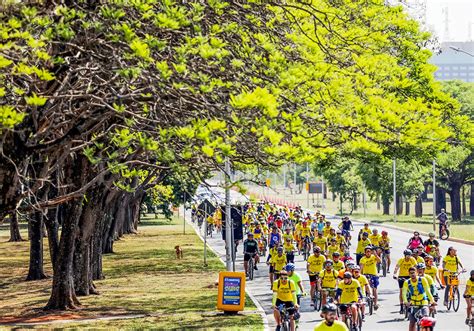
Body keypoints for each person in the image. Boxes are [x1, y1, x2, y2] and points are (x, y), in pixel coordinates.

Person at [402, 267, 436, 331]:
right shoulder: (407, 282)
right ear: (409, 274)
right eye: (411, 273)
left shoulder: (423, 280)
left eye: (413, 273)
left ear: (416, 273)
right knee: (412, 322)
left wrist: (432, 301)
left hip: (423, 302)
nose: (412, 274)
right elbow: (404, 293)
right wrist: (406, 302)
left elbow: (427, 291)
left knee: (425, 319)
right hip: (413, 304)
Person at [393, 249, 417, 314]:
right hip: (402, 277)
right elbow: (397, 267)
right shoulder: (401, 260)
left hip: (410, 276)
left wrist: (416, 274)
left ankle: (412, 303)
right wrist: (395, 274)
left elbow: (415, 267)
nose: (408, 257)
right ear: (405, 255)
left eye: (409, 255)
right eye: (407, 255)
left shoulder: (412, 259)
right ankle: (401, 306)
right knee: (401, 291)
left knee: (412, 290)